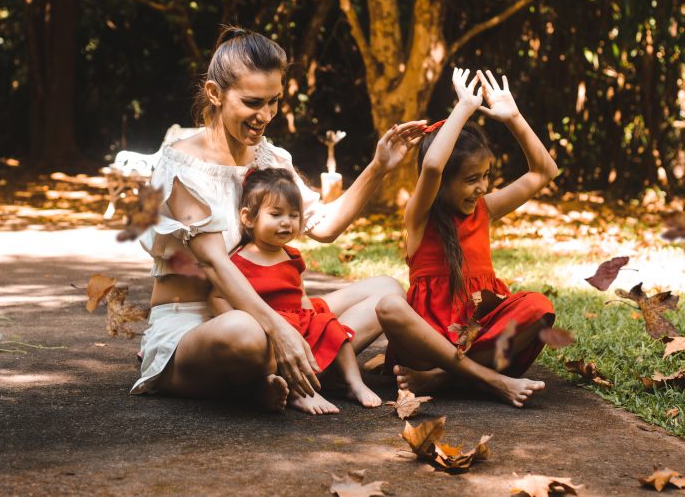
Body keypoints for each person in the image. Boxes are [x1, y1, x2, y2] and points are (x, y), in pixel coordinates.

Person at [131, 26, 425, 411]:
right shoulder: (180, 168)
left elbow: (323, 227)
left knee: (385, 289)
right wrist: (279, 329)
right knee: (246, 333)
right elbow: (216, 265)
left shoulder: (271, 158)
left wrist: (378, 167)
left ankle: (277, 374)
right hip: (201, 326)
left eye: (274, 102)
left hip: (274, 312)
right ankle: (300, 367)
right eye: (253, 102)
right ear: (215, 95)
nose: (266, 115)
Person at [376, 68, 558, 408]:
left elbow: (543, 172)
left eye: (486, 176)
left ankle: (446, 378)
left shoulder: (484, 210)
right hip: (428, 341)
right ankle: (489, 380)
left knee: (539, 306)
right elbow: (431, 166)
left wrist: (514, 117)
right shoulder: (420, 217)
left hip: (478, 334)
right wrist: (463, 107)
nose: (483, 187)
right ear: (444, 182)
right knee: (388, 306)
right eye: (472, 179)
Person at [208, 168, 382, 415]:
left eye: (293, 215)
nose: (286, 222)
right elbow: (216, 296)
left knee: (336, 332)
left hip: (300, 319)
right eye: (276, 214)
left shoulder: (292, 255)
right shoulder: (238, 260)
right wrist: (241, 321)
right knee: (278, 355)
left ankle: (354, 383)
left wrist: (313, 320)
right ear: (248, 218)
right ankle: (301, 392)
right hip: (269, 325)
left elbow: (299, 291)